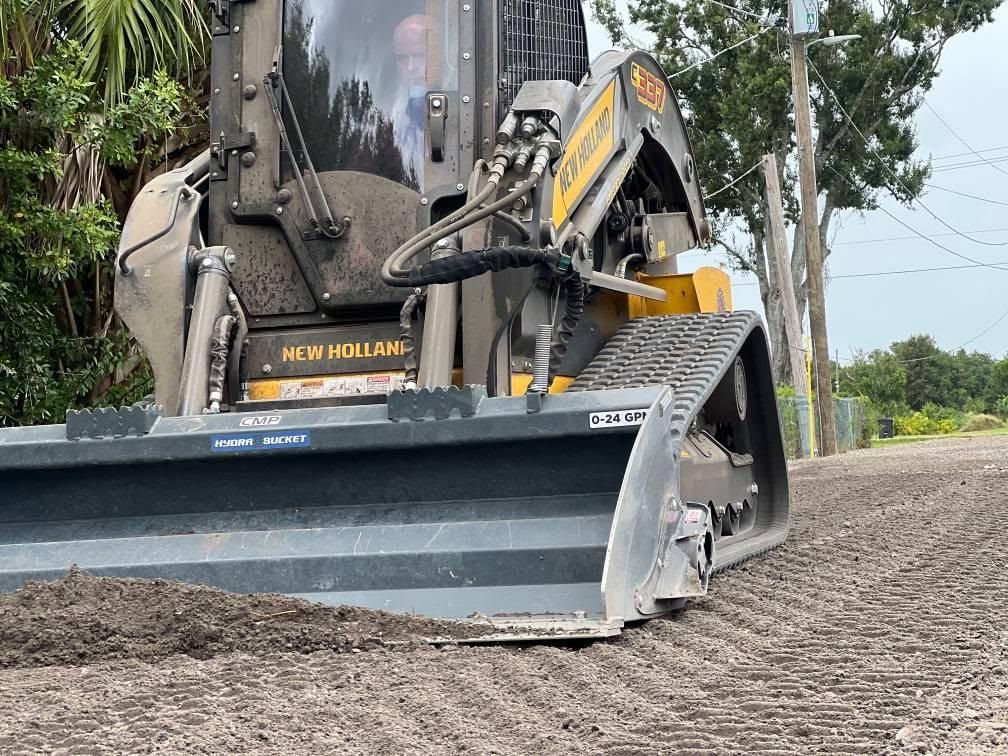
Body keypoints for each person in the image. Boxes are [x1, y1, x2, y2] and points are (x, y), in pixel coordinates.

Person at [391, 14, 431, 187]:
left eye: (419, 55)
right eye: (402, 58)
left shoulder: (468, 105)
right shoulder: (387, 112)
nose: (410, 67)